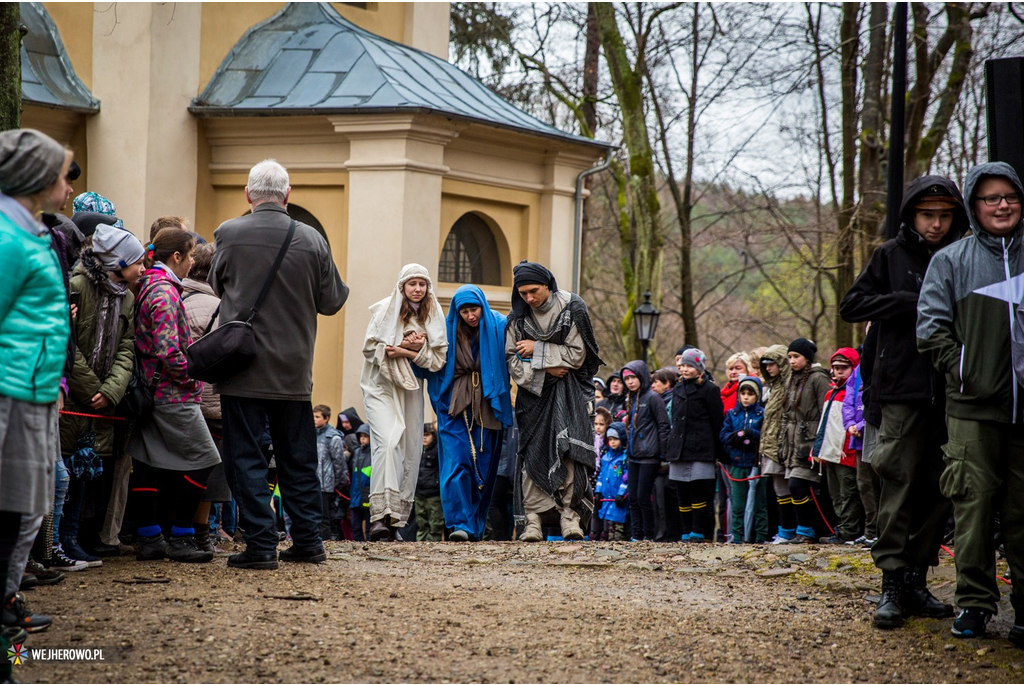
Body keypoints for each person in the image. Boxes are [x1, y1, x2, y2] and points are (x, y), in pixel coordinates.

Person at [842, 174, 969, 630]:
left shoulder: (965, 257)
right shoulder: (890, 255)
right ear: (912, 215)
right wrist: (902, 303)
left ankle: (917, 579)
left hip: (956, 390)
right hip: (901, 390)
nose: (935, 224)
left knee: (940, 490)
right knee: (897, 484)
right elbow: (851, 304)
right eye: (927, 215)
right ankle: (891, 584)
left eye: (944, 215)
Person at [211, 159, 348, 570]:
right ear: (287, 195)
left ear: (248, 195)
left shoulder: (229, 233)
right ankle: (308, 541)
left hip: (242, 367)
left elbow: (219, 286)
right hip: (293, 371)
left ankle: (260, 545)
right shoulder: (312, 239)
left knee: (246, 458)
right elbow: (332, 301)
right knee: (298, 459)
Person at [918, 162, 1024, 642]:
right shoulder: (952, 261)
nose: (1002, 205)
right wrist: (967, 373)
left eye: (1010, 197)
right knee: (974, 509)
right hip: (971, 411)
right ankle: (975, 604)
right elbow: (931, 330)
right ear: (974, 207)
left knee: (1023, 512)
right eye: (991, 198)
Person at [0, 129, 73, 653]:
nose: (68, 186)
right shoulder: (7, 237)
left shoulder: (28, 231)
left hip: (33, 388)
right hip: (11, 390)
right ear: (35, 178)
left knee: (27, 506)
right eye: (63, 173)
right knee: (13, 508)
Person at [126, 229, 220, 564]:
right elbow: (169, 350)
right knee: (207, 460)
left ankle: (150, 536)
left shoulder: (149, 284)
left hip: (151, 389)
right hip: (170, 392)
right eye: (190, 255)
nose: (193, 261)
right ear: (176, 257)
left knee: (148, 462)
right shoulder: (165, 291)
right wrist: (191, 376)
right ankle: (182, 536)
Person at [58, 223, 145, 565]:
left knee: (85, 475)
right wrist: (93, 388)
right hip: (77, 400)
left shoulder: (128, 298)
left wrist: (112, 389)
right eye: (136, 261)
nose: (141, 267)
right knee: (64, 474)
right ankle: (57, 541)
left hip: (100, 403)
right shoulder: (77, 286)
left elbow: (126, 347)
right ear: (117, 262)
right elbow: (71, 345)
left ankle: (74, 538)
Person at [505, 261, 602, 542]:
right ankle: (533, 521)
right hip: (533, 398)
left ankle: (570, 518)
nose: (529, 298)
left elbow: (577, 355)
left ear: (548, 284)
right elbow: (512, 358)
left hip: (571, 393)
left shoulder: (573, 307)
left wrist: (538, 348)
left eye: (534, 291)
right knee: (533, 454)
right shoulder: (517, 317)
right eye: (523, 293)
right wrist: (546, 368)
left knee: (569, 453)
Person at [361, 264, 447, 541]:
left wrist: (410, 351)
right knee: (387, 442)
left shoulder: (432, 314)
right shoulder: (387, 309)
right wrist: (403, 344)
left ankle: (394, 520)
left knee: (409, 450)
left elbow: (437, 359)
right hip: (381, 385)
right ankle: (378, 517)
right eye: (413, 284)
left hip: (410, 388)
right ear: (402, 286)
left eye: (422, 284)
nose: (418, 289)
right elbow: (372, 347)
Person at [427, 285, 512, 542]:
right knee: (456, 463)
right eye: (464, 311)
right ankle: (459, 523)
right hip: (455, 406)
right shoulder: (446, 329)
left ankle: (473, 526)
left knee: (483, 469)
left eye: (473, 309)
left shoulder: (499, 325)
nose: (470, 316)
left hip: (488, 403)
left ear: (482, 306)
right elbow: (430, 361)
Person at [181, 242, 233, 553]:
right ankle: (200, 532)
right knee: (208, 473)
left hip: (179, 399)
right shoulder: (217, 307)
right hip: (210, 403)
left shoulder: (178, 298)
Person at [666, 348, 724, 542]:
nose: (685, 369)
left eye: (689, 365)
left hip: (701, 448)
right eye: (682, 365)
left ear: (699, 368)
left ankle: (699, 531)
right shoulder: (678, 388)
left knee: (699, 492)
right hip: (679, 448)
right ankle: (686, 530)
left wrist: (718, 451)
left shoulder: (710, 389)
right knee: (681, 493)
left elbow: (717, 422)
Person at [810, 348, 864, 544]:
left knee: (848, 493)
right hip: (830, 452)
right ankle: (841, 529)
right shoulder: (830, 393)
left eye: (844, 368)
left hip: (846, 452)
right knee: (835, 495)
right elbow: (825, 424)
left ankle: (850, 531)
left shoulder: (854, 393)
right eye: (835, 368)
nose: (839, 372)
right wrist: (817, 450)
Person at [780, 338, 831, 544]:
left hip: (808, 441)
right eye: (790, 357)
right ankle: (805, 530)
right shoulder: (791, 379)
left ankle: (808, 529)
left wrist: (819, 443)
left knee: (798, 485)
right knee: (795, 486)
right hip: (792, 442)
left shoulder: (819, 378)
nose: (792, 361)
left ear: (807, 358)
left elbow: (825, 411)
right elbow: (786, 414)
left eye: (796, 357)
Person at [620, 361, 670, 541]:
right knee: (632, 498)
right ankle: (637, 535)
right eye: (626, 378)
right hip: (633, 456)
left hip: (649, 456)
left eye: (633, 377)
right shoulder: (630, 399)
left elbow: (664, 425)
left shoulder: (653, 398)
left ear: (641, 376)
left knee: (643, 498)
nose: (630, 382)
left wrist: (663, 454)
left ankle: (649, 535)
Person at [720, 376, 767, 543]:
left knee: (760, 504)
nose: (746, 397)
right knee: (738, 503)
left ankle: (761, 536)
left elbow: (766, 435)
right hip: (738, 463)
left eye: (750, 394)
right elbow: (723, 435)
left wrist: (752, 434)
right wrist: (736, 437)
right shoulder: (732, 414)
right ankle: (737, 536)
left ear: (758, 395)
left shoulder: (762, 414)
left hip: (756, 464)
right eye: (743, 393)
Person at [757, 345, 794, 543]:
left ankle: (790, 530)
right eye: (766, 365)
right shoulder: (773, 388)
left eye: (772, 364)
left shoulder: (789, 387)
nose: (769, 368)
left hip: (783, 445)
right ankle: (784, 530)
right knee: (779, 489)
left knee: (788, 488)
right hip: (771, 446)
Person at [313, 405, 348, 542]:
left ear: (326, 418)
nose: (314, 419)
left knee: (324, 518)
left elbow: (339, 463)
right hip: (313, 483)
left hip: (326, 485)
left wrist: (337, 484)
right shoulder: (313, 434)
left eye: (317, 417)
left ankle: (325, 543)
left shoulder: (333, 438)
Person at [595, 422, 628, 541]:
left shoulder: (624, 458)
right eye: (610, 439)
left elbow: (626, 479)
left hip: (618, 499)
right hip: (607, 498)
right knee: (607, 525)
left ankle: (619, 543)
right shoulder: (605, 457)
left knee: (618, 525)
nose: (612, 442)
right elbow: (601, 476)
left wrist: (621, 494)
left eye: (615, 439)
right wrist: (598, 491)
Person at [414, 424, 443, 541]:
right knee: (421, 521)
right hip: (419, 492)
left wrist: (437, 483)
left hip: (433, 493)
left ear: (433, 436)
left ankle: (433, 544)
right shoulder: (416, 451)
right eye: (422, 435)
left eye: (427, 435)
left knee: (435, 522)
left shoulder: (437, 450)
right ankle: (420, 544)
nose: (424, 438)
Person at [349, 425, 372, 542]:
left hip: (368, 494)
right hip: (355, 494)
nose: (362, 439)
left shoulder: (375, 453)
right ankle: (357, 546)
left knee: (369, 526)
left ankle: (370, 545)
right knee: (355, 526)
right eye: (361, 437)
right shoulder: (357, 452)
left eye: (365, 436)